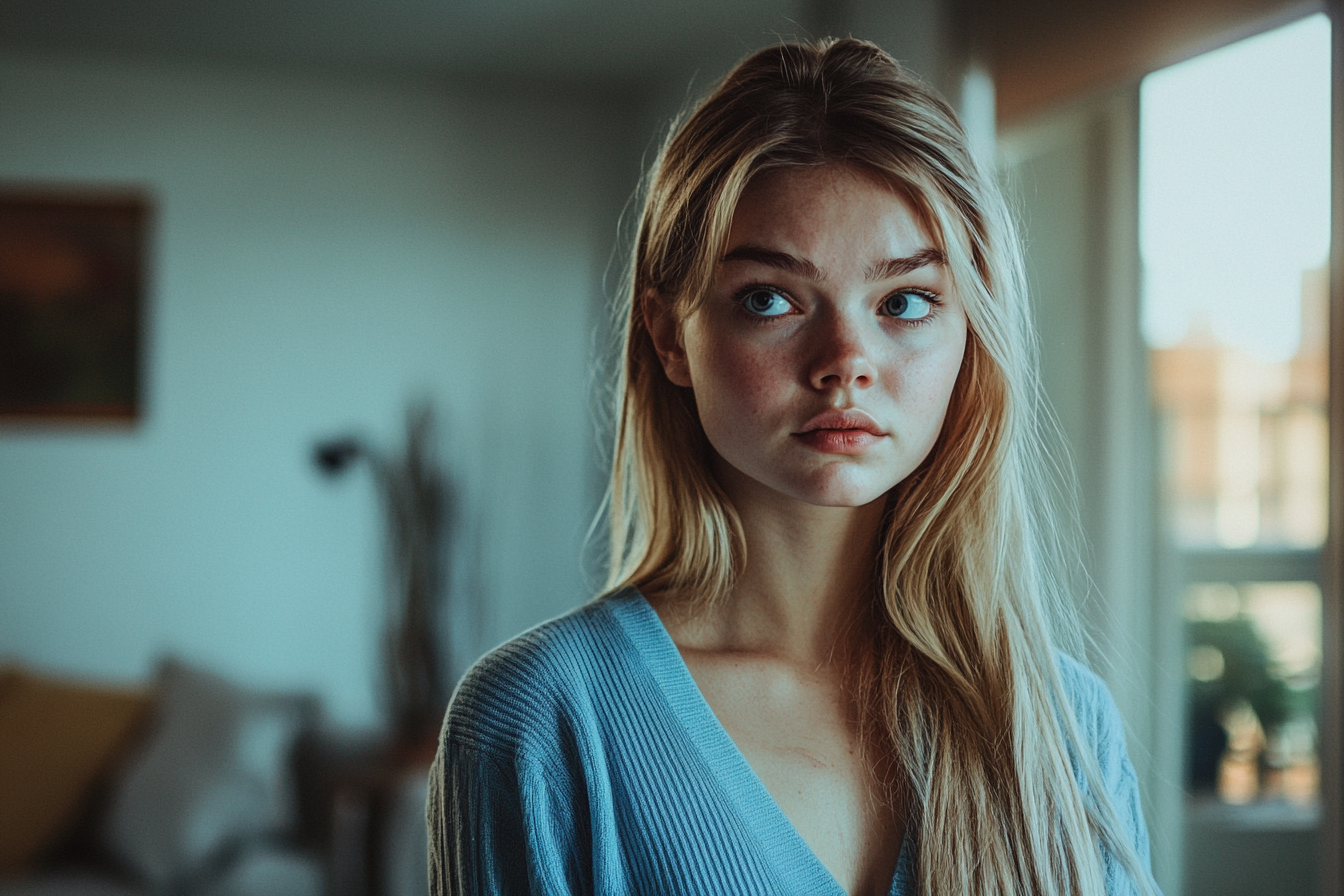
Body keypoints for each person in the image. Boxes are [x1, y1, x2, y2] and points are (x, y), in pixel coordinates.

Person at [428, 37, 1159, 896]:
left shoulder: (1065, 731)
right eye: (770, 299)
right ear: (670, 336)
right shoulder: (542, 722)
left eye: (906, 302)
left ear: (970, 333)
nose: (846, 360)